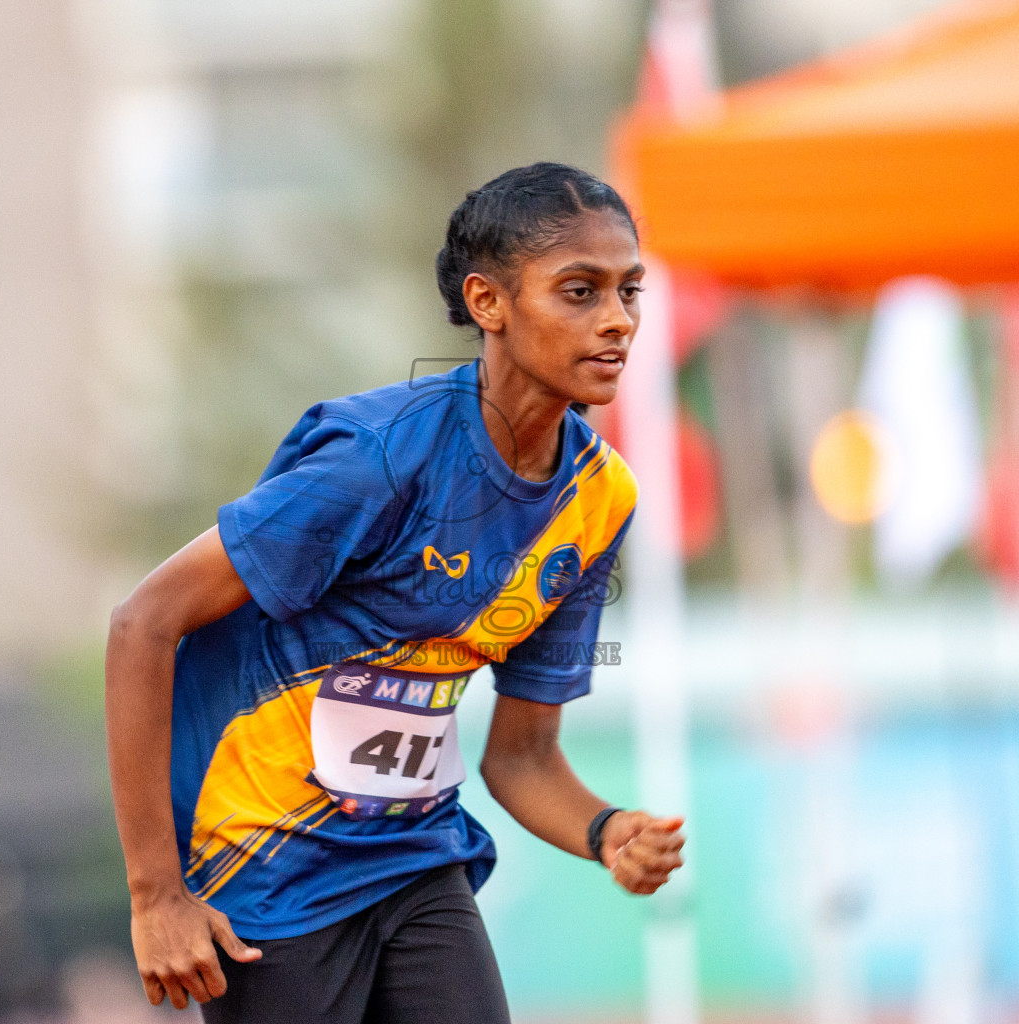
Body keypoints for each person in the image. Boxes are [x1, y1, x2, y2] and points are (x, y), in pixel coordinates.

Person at [105, 161, 685, 1024]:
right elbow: (143, 623)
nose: (617, 321)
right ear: (490, 304)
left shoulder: (600, 502)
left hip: (414, 855)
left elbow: (521, 757)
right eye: (579, 291)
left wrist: (606, 833)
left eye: (629, 291)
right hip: (266, 864)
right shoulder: (384, 458)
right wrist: (155, 895)